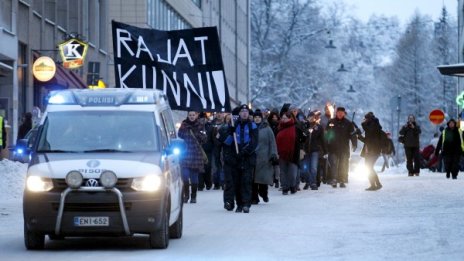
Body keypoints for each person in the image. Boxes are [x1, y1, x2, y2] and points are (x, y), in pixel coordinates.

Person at [217, 104, 258, 213]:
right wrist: (231, 131)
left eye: (246, 111)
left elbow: (254, 142)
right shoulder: (235, 125)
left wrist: (245, 151)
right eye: (242, 111)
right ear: (239, 114)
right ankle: (239, 204)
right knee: (238, 181)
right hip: (236, 158)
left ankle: (246, 204)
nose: (244, 113)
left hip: (248, 158)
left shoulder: (252, 125)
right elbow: (227, 142)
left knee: (247, 181)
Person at [177, 111, 207, 204]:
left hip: (196, 153)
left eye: (193, 115)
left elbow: (204, 139)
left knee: (194, 177)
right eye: (190, 115)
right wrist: (182, 129)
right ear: (188, 116)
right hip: (185, 153)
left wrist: (197, 133)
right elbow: (179, 136)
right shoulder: (184, 124)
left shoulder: (200, 125)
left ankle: (194, 196)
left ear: (196, 115)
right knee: (185, 176)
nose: (192, 117)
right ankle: (186, 195)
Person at [325, 107, 357, 188]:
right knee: (334, 164)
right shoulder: (331, 122)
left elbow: (353, 135)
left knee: (343, 165)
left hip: (344, 148)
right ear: (336, 113)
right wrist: (325, 145)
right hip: (333, 148)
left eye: (341, 112)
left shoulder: (348, 123)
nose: (340, 113)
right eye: (338, 112)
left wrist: (354, 144)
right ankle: (334, 180)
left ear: (344, 113)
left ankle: (342, 180)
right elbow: (326, 134)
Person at [276, 111, 306, 194]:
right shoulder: (279, 128)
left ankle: (292, 186)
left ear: (290, 118)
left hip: (293, 153)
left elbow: (304, 138)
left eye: (286, 118)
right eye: (283, 118)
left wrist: (300, 146)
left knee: (292, 173)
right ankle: (285, 188)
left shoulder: (296, 128)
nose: (284, 120)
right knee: (283, 172)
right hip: (282, 153)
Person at [251, 109, 277, 204]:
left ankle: (264, 193)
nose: (257, 119)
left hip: (265, 157)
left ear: (261, 118)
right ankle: (254, 197)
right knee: (253, 179)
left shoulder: (267, 128)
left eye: (259, 117)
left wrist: (273, 154)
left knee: (263, 178)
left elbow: (272, 142)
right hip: (253, 156)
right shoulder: (251, 128)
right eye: (255, 117)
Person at [357, 112, 383, 191]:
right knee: (368, 167)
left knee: (369, 167)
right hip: (369, 150)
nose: (364, 121)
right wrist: (359, 136)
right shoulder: (370, 126)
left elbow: (371, 137)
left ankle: (376, 184)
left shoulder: (375, 126)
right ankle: (375, 184)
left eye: (366, 119)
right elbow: (367, 140)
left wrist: (363, 125)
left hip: (374, 150)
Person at [301, 110, 326, 190]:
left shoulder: (319, 127)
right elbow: (301, 138)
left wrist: (325, 151)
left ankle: (313, 183)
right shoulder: (304, 126)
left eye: (313, 117)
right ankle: (308, 181)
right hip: (305, 150)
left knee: (313, 167)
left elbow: (322, 140)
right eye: (309, 117)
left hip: (315, 150)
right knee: (305, 168)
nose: (311, 119)